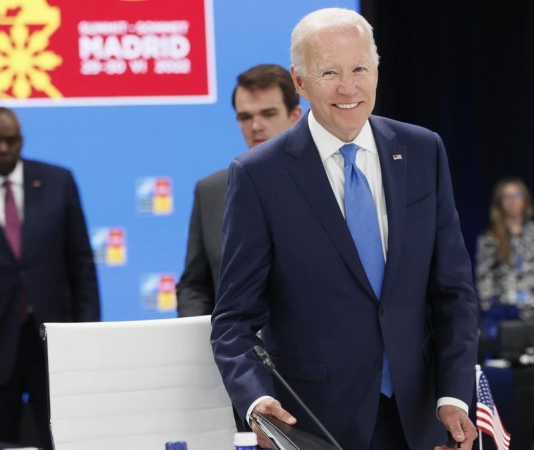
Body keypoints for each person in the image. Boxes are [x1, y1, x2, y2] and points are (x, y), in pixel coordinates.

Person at [210, 7, 479, 450]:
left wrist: (452, 395)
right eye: (329, 72)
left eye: (359, 68)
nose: (348, 87)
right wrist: (257, 400)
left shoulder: (422, 151)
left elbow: (454, 291)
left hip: (422, 419)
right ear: (300, 82)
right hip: (316, 424)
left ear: (376, 70)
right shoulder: (259, 175)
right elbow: (233, 322)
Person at [0, 107, 100, 450]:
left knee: (64, 439)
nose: (2, 148)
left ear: (21, 141)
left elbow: (81, 264)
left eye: (10, 140)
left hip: (54, 343)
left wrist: (87, 336)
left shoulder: (57, 181)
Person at [176, 64, 302, 317]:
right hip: (235, 351)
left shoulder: (329, 181)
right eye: (245, 117)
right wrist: (208, 340)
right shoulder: (210, 191)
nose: (256, 126)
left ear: (295, 116)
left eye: (268, 114)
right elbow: (194, 285)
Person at [475, 177, 534, 323]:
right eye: (507, 196)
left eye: (517, 195)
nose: (512, 200)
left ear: (525, 199)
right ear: (499, 202)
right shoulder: (490, 238)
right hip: (503, 315)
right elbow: (483, 279)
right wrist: (490, 309)